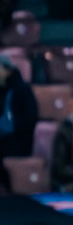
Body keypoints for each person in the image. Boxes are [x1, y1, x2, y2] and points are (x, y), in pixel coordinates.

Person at [0, 53, 38, 189]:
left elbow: (30, 118)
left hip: (18, 140)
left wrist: (10, 127)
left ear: (7, 70)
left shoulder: (23, 90)